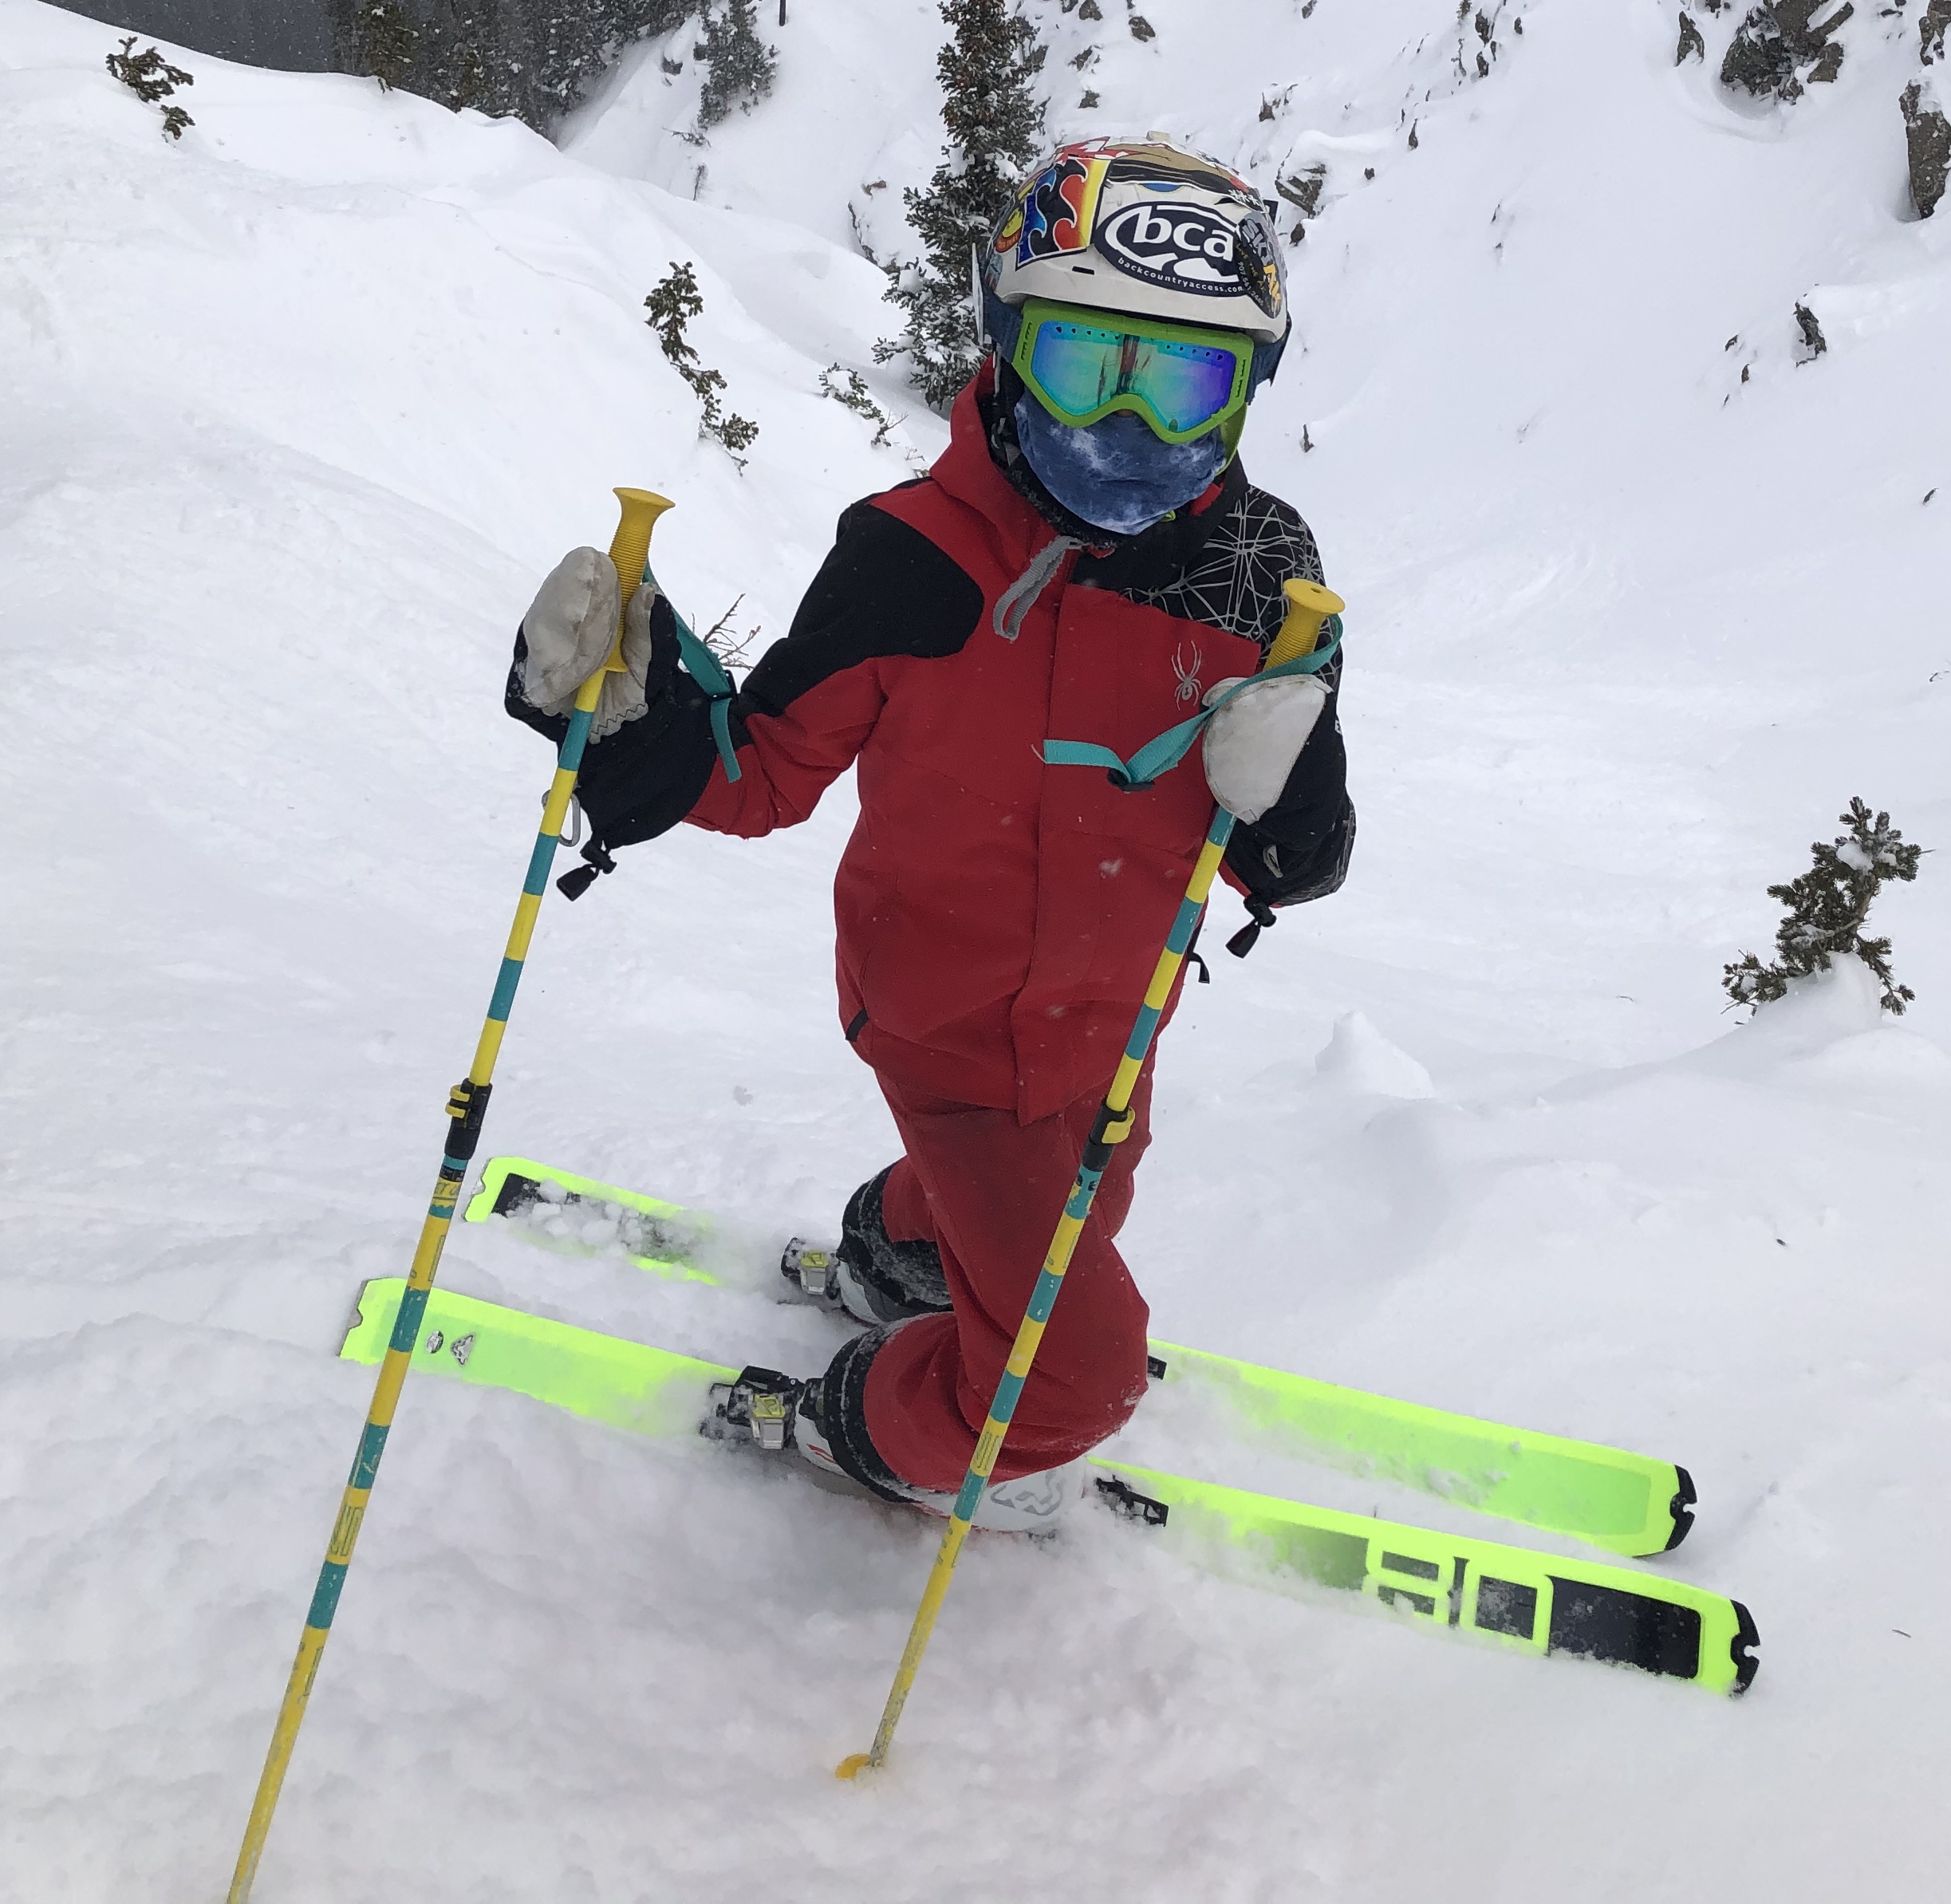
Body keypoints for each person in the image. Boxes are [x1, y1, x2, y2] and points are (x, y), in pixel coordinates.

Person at [506, 137, 1354, 1529]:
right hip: (947, 1024)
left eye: (1184, 381)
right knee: (1068, 1379)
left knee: (1077, 1200)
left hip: (1118, 1021)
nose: (1127, 427)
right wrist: (624, 725)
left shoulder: (1264, 580)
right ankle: (867, 1423)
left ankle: (894, 1253)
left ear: (1246, 390)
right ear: (1008, 342)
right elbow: (759, 776)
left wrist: (1298, 795)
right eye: (1084, 362)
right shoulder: (912, 559)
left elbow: (1286, 856)